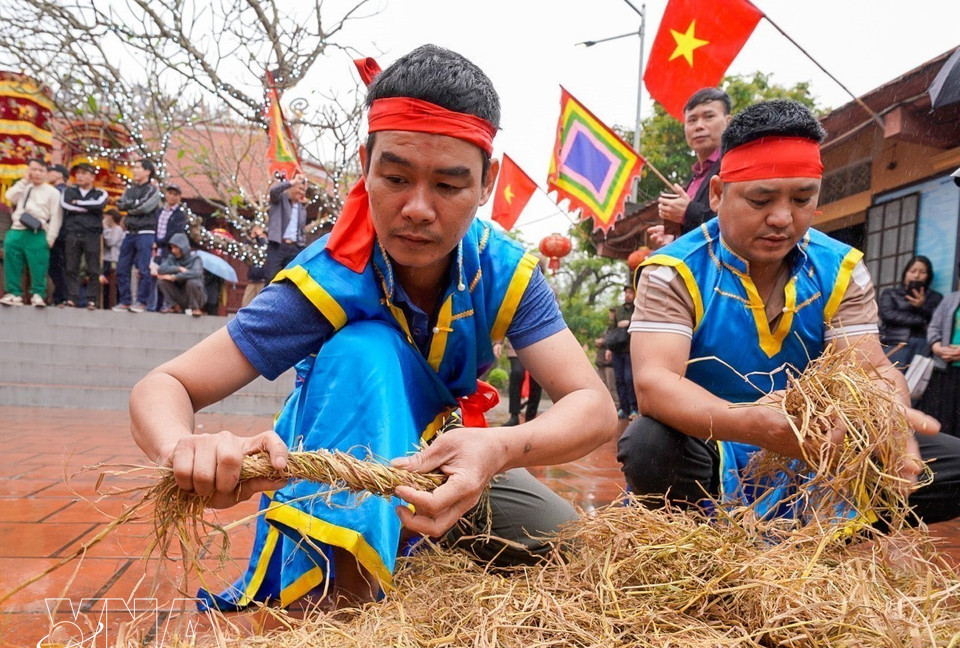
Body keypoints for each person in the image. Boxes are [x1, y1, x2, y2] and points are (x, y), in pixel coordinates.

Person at [129, 45, 616, 611]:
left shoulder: (503, 270)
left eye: (449, 186)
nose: (417, 208)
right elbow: (164, 386)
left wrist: (497, 449)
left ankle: (415, 544)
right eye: (396, 177)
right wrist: (183, 449)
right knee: (365, 347)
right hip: (342, 473)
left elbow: (593, 406)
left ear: (489, 181)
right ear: (366, 164)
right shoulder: (328, 280)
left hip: (447, 456)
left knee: (565, 548)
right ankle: (346, 607)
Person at [618, 99, 960, 527]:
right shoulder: (675, 270)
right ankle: (702, 540)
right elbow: (655, 385)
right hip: (716, 439)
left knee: (947, 465)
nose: (782, 218)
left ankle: (817, 542)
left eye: (802, 199)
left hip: (819, 443)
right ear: (719, 193)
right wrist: (757, 423)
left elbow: (868, 368)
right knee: (650, 443)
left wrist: (889, 421)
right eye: (760, 200)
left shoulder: (840, 268)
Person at [648, 88, 732, 248]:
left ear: (728, 122)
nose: (699, 126)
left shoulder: (735, 166)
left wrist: (688, 212)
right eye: (692, 120)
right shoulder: (694, 179)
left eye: (709, 117)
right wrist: (675, 236)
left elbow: (737, 223)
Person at [1, 158, 63, 307]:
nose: (37, 173)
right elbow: (9, 197)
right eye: (33, 169)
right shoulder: (24, 186)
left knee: (38, 265)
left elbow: (56, 216)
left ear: (46, 173)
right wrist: (23, 181)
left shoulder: (52, 192)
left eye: (40, 170)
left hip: (38, 231)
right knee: (12, 262)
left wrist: (51, 237)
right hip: (17, 229)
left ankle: (38, 294)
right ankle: (14, 293)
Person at [113, 159, 161, 313]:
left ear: (147, 171)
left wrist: (130, 207)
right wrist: (133, 206)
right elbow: (120, 204)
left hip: (145, 233)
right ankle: (125, 301)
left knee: (144, 268)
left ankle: (142, 302)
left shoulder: (153, 191)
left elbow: (146, 208)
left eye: (138, 167)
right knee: (121, 267)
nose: (134, 170)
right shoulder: (130, 190)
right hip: (129, 232)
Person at [878, 255, 942, 370]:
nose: (917, 275)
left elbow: (939, 320)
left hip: (924, 346)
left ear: (928, 276)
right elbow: (887, 315)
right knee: (892, 379)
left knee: (916, 383)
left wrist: (922, 306)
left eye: (922, 272)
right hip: (895, 343)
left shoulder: (935, 297)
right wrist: (921, 320)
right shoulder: (891, 293)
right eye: (913, 271)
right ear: (905, 273)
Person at [60, 162, 109, 309]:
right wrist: (88, 206)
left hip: (92, 234)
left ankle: (91, 299)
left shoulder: (100, 193)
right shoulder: (68, 191)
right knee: (71, 267)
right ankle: (72, 299)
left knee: (93, 268)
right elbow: (66, 205)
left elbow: (99, 205)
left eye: (84, 173)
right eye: (78, 173)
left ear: (92, 177)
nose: (80, 176)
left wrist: (78, 203)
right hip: (73, 232)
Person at [920, 287, 960, 437]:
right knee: (943, 418)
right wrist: (937, 347)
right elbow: (934, 327)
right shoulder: (950, 299)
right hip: (945, 369)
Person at [150, 182, 189, 312]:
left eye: (175, 194)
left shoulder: (180, 215)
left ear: (179, 197)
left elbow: (175, 233)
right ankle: (152, 305)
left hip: (169, 251)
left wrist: (160, 242)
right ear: (166, 194)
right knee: (152, 277)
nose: (172, 197)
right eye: (170, 193)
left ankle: (166, 305)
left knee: (165, 278)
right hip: (155, 251)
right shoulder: (159, 211)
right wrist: (154, 242)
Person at [263, 172, 308, 282]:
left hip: (294, 247)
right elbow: (273, 191)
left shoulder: (302, 210)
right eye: (299, 188)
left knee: (290, 280)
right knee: (270, 277)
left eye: (303, 190)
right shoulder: (279, 199)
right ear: (291, 187)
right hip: (278, 244)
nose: (301, 192)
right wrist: (292, 181)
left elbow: (301, 231)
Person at [606, 285, 638, 419]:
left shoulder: (638, 309)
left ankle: (634, 409)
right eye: (626, 292)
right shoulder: (618, 310)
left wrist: (629, 322)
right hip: (618, 350)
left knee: (629, 379)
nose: (628, 295)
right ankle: (623, 408)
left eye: (631, 292)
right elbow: (612, 329)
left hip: (631, 349)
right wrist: (608, 348)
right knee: (619, 380)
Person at [155, 232, 205, 317]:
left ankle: (195, 308)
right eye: (171, 248)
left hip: (194, 295)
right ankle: (174, 306)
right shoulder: (172, 258)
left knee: (192, 281)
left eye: (176, 247)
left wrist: (174, 277)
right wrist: (178, 268)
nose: (173, 250)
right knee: (162, 281)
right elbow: (161, 269)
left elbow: (196, 272)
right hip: (179, 293)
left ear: (183, 247)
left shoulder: (195, 259)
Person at [500, 337, 542, 426]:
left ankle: (530, 418)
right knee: (517, 372)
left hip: (538, 342)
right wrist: (498, 342)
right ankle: (514, 416)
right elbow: (502, 323)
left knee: (537, 378)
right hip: (516, 340)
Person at [46, 163, 70, 306]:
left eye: (51, 171)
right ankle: (59, 296)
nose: (48, 174)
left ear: (60, 174)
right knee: (59, 266)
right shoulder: (65, 191)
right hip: (63, 233)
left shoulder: (58, 191)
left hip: (58, 233)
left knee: (56, 266)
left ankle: (61, 296)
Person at [100, 208, 125, 308]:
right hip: (106, 258)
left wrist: (106, 228)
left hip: (113, 259)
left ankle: (114, 302)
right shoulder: (109, 229)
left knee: (114, 283)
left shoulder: (117, 229)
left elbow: (111, 242)